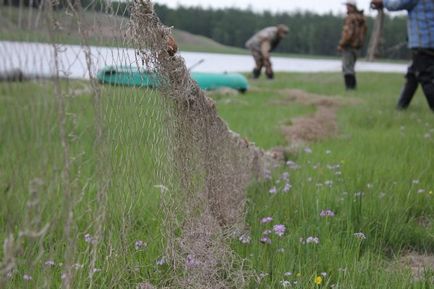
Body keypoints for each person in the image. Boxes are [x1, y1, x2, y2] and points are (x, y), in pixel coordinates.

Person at [371, 0, 434, 112]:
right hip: (428, 41)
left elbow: (397, 4)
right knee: (413, 76)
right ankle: (401, 108)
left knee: (425, 77)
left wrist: (382, 2)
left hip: (423, 42)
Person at [337, 0, 367, 90]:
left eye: (348, 6)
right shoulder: (361, 18)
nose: (346, 8)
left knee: (347, 68)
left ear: (352, 7)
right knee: (351, 68)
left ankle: (349, 89)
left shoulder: (350, 18)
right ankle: (353, 88)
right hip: (357, 47)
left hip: (348, 46)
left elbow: (348, 34)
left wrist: (341, 44)